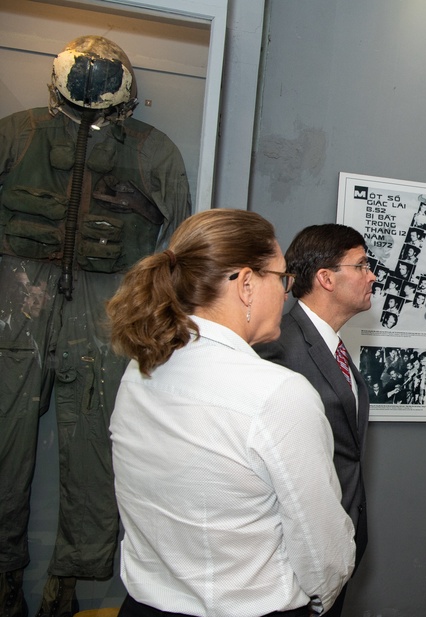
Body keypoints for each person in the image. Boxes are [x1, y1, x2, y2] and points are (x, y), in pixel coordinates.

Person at [0, 35, 191, 616]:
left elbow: (179, 242)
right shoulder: (16, 132)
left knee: (97, 453)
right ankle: (6, 573)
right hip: (16, 304)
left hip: (108, 310)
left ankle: (70, 579)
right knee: (4, 445)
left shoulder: (154, 151)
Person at [106, 209, 354, 617]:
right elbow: (322, 548)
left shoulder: (139, 372)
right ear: (245, 283)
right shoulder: (277, 393)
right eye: (282, 278)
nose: (286, 293)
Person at [254, 224, 376, 617]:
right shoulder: (279, 345)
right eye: (361, 266)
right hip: (294, 560)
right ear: (326, 277)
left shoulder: (332, 346)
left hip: (336, 546)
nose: (372, 275)